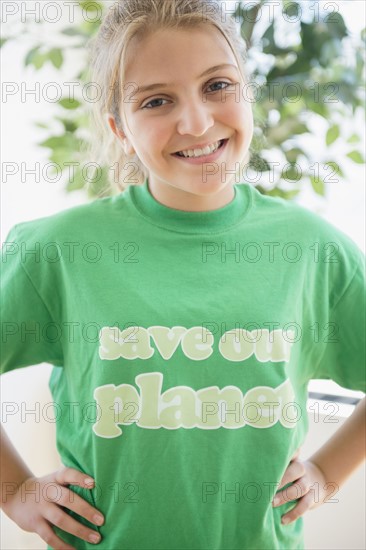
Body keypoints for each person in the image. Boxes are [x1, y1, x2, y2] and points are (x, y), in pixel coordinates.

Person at [1, 0, 365, 549]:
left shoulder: (313, 249)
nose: (196, 121)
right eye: (156, 100)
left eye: (217, 86)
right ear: (119, 128)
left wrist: (327, 473)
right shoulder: (57, 250)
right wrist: (14, 490)